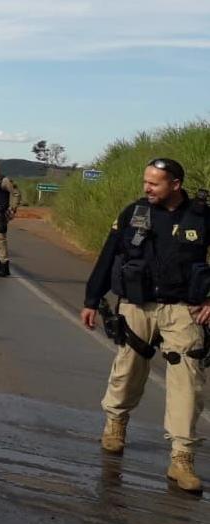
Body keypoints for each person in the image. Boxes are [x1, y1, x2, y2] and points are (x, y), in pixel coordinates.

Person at [80, 158, 206, 494]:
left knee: (188, 378)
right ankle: (116, 422)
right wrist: (92, 299)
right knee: (129, 366)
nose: (147, 188)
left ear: (175, 184)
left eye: (155, 183)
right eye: (145, 181)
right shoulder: (133, 213)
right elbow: (109, 255)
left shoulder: (200, 216)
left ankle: (182, 457)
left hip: (183, 308)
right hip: (137, 304)